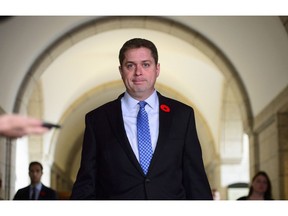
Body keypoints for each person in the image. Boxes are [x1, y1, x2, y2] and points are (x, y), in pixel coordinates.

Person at [70, 38, 213, 200]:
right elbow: (85, 184)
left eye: (146, 64)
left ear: (157, 69)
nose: (138, 72)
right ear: (121, 70)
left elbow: (196, 181)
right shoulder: (97, 119)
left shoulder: (182, 115)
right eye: (130, 65)